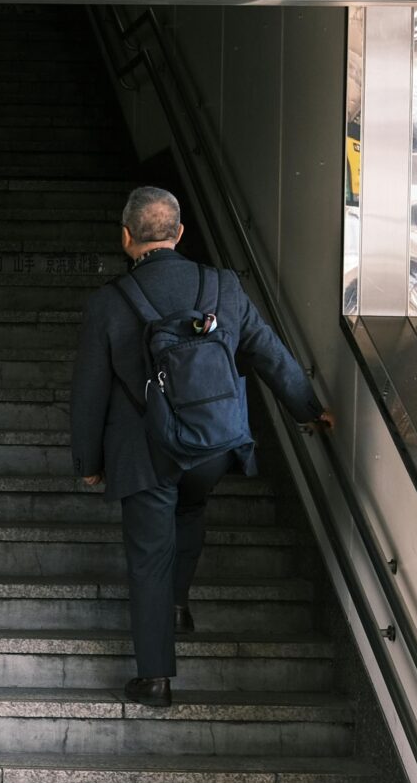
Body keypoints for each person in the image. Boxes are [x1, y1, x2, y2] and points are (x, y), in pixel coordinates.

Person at [69, 186, 330, 708]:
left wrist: (89, 462)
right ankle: (177, 604)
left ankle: (156, 679)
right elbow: (269, 353)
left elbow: (90, 391)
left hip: (144, 452)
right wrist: (309, 409)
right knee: (190, 511)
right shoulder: (224, 286)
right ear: (180, 233)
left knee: (148, 558)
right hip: (212, 444)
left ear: (126, 238)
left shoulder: (108, 303)